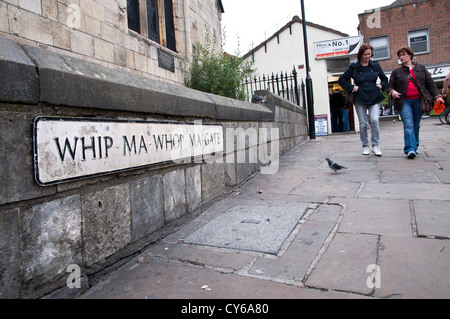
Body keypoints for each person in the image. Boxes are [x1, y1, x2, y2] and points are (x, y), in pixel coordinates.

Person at [387, 46, 443, 159]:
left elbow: (430, 83)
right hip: (404, 102)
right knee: (408, 124)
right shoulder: (396, 71)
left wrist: (437, 96)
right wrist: (392, 92)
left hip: (419, 101)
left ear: (410, 55)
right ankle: (410, 149)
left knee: (416, 126)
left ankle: (415, 146)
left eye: (403, 55)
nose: (401, 57)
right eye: (400, 56)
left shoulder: (421, 68)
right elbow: (389, 87)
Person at [339, 44, 388, 156]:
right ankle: (365, 146)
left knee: (375, 120)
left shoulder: (375, 65)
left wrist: (381, 86)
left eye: (369, 54)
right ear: (360, 55)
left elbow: (384, 79)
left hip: (374, 96)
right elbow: (341, 80)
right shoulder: (354, 67)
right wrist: (351, 88)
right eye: (365, 54)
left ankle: (375, 146)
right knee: (363, 124)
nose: (367, 56)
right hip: (360, 97)